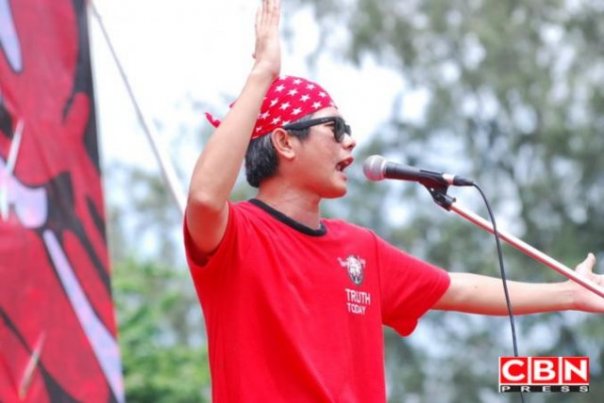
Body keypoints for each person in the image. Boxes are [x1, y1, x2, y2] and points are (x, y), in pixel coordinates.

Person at [184, 0, 604, 401]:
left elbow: (458, 288)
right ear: (285, 143)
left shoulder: (359, 248)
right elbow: (203, 197)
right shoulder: (235, 237)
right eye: (335, 127)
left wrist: (568, 293)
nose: (350, 141)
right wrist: (263, 72)